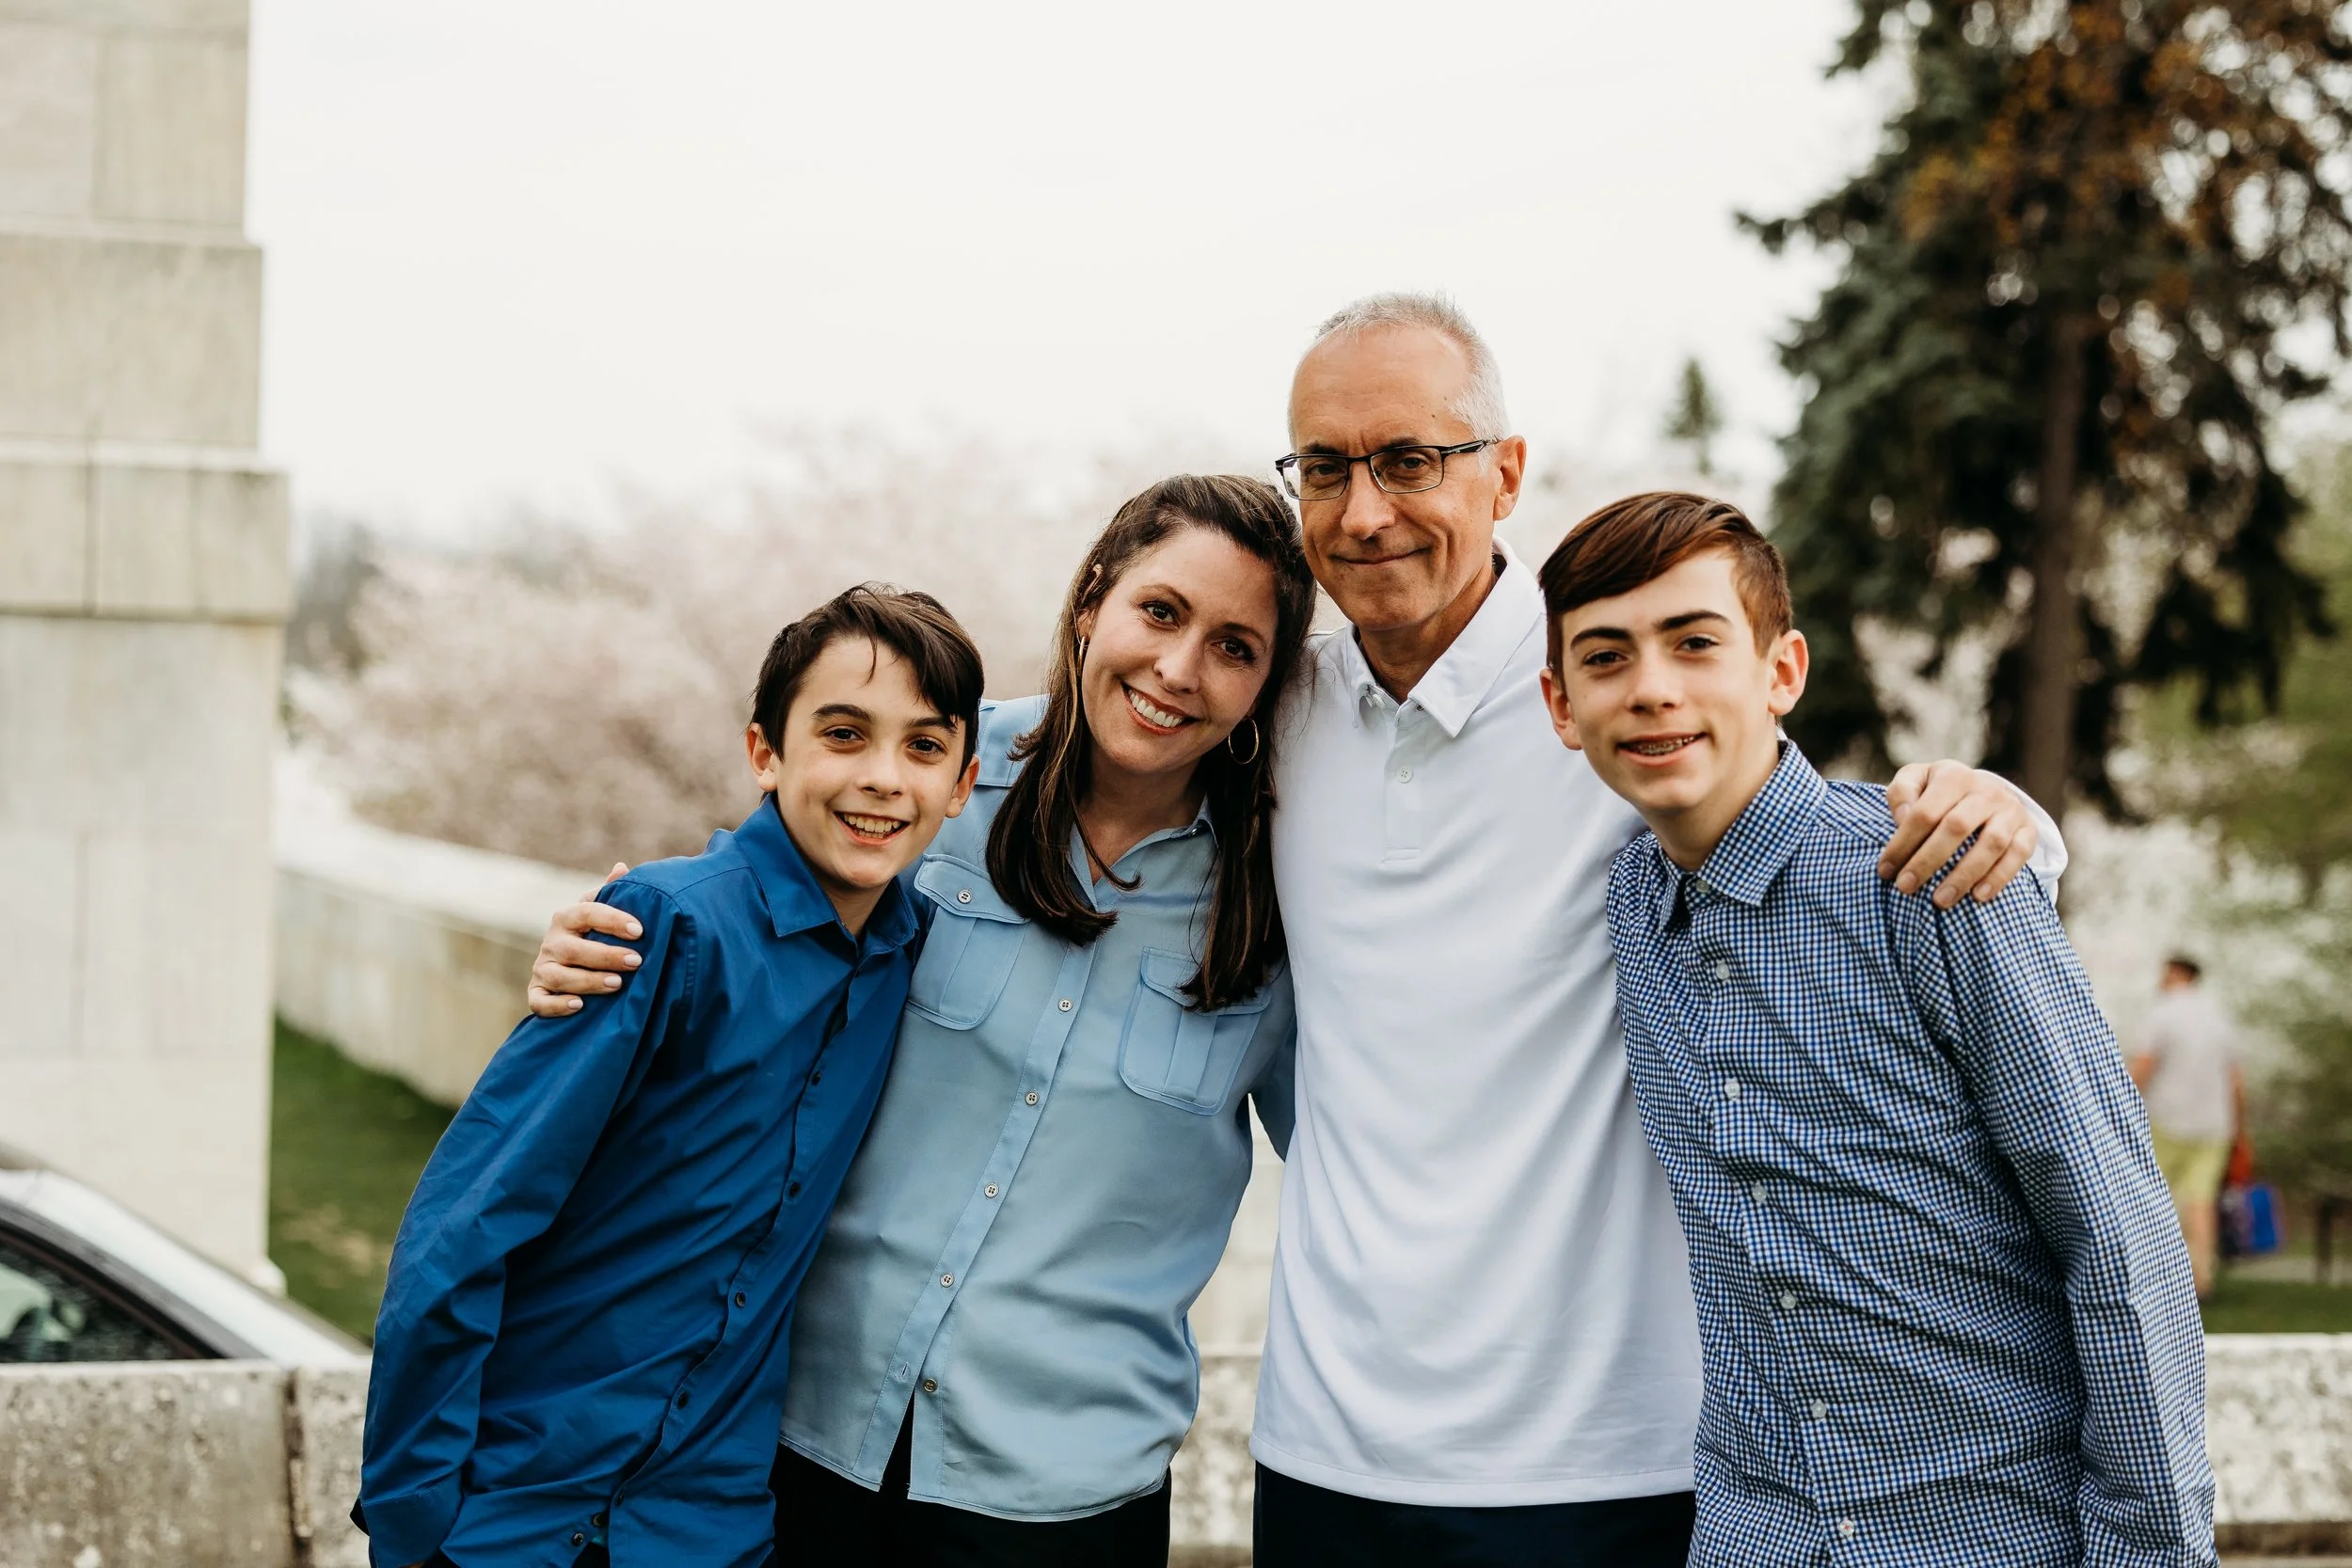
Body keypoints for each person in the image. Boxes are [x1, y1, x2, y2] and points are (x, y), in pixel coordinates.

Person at [1247, 294, 2065, 1567]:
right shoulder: (1271, 713)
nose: (1364, 509)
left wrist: (2013, 822)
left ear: (1505, 472)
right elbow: (1095, 743)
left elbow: (1809, 832)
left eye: (1410, 458)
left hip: (1616, 1460)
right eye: (1324, 467)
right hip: (1324, 1453)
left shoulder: (1618, 688)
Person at [525, 475, 1316, 1566]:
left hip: (1065, 1500)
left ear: (1268, 682)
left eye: (1235, 645)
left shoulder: (1284, 900)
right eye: (1161, 611)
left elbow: (1352, 1151)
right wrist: (603, 943)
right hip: (791, 1446)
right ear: (1093, 599)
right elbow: (737, 931)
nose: (1179, 669)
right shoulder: (929, 777)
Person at [1536, 491, 2214, 1564]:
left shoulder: (1934, 873)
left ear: (1782, 671)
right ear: (1560, 703)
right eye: (1606, 657)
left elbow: (2119, 1238)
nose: (1652, 687)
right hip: (1754, 1536)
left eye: (1694, 642)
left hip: (1988, 1534)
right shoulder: (1627, 907)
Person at [356, 587, 985, 1568]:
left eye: (923, 746)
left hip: (709, 1530)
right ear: (764, 752)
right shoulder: (660, 929)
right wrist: (415, 1520)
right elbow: (464, 1227)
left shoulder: (916, 956)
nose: (882, 779)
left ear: (963, 780)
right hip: (513, 1523)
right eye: (844, 733)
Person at [2132, 955, 2247, 1298]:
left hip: (2167, 1119)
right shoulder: (2219, 1017)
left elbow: (2144, 1066)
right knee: (2201, 1200)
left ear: (2175, 974)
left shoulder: (2161, 1013)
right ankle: (2201, 1278)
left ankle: (2155, 1275)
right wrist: (2241, 1128)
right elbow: (2236, 1080)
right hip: (2215, 1124)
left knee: (2154, 1197)